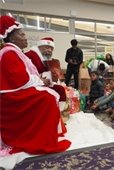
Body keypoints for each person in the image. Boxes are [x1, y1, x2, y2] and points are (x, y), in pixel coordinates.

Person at [0, 15, 71, 154]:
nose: (26, 37)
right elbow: (20, 80)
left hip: (19, 88)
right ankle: (39, 137)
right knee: (48, 97)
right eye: (22, 34)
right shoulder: (9, 53)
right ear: (12, 37)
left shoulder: (15, 52)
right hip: (11, 95)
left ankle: (50, 131)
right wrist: (41, 81)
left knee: (53, 92)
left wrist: (45, 79)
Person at [25, 37, 66, 102]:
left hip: (42, 83)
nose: (49, 50)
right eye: (47, 47)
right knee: (58, 91)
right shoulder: (30, 56)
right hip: (31, 84)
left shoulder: (45, 58)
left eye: (51, 48)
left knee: (60, 89)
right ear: (39, 47)